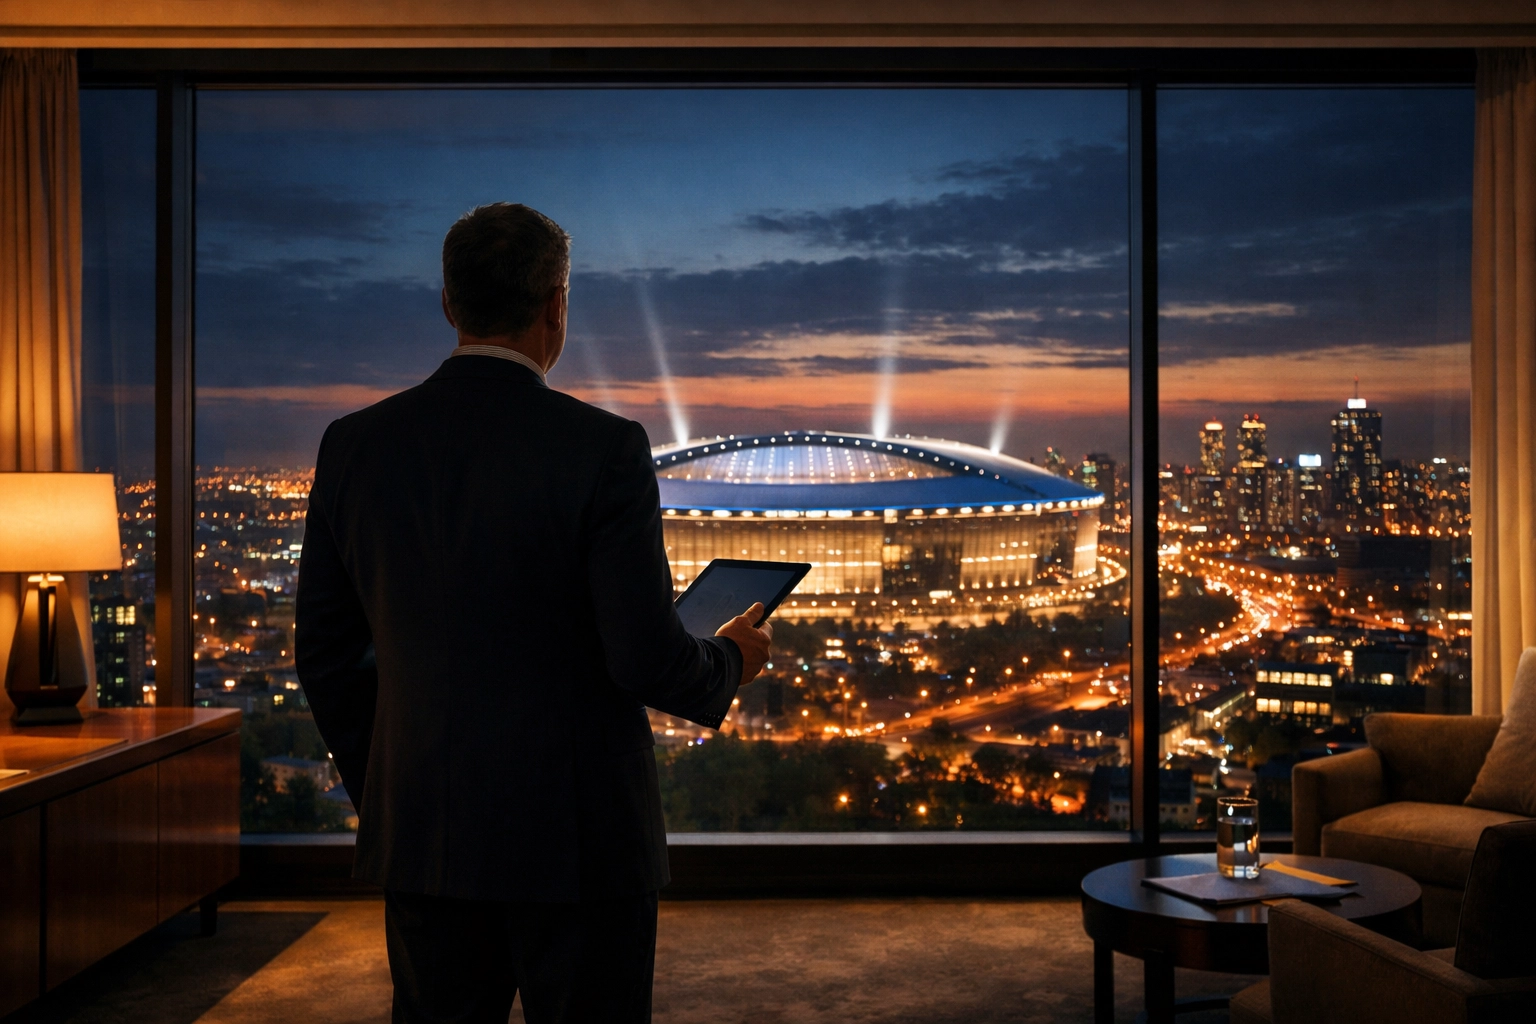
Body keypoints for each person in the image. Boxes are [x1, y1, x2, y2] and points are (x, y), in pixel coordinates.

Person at [295, 202, 773, 1024]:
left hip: (427, 835)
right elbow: (643, 657)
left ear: (448, 303)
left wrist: (398, 789)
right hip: (582, 842)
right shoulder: (605, 448)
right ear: (557, 303)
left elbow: (328, 656)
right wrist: (731, 658)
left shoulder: (354, 444)